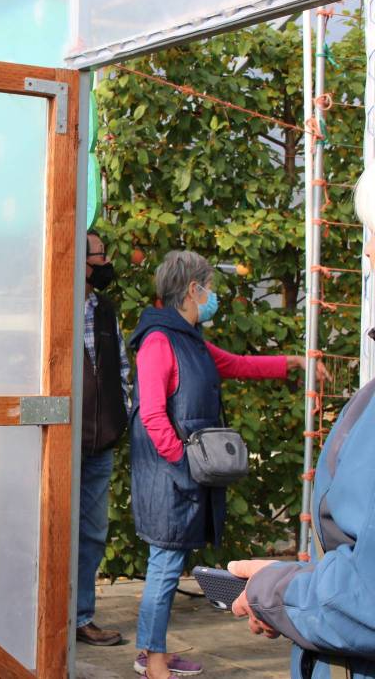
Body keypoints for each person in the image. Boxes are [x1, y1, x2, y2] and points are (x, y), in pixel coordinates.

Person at [127, 250, 323, 679]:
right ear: (193, 290)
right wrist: (183, 464)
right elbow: (153, 415)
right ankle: (153, 661)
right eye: (209, 287)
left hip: (180, 475)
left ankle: (152, 649)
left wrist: (290, 364)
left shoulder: (188, 338)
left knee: (167, 562)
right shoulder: (159, 341)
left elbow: (233, 365)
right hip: (168, 477)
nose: (213, 295)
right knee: (163, 567)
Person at [228, 170, 375, 679]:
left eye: (372, 237)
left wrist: (279, 590)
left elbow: (368, 598)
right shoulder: (165, 341)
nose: (369, 255)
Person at [75, 230, 129, 647]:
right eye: (99, 255)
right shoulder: (56, 306)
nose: (106, 261)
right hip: (60, 440)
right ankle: (45, 618)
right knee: (47, 527)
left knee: (92, 534)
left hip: (99, 443)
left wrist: (120, 416)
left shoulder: (105, 309)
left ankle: (80, 617)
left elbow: (121, 369)